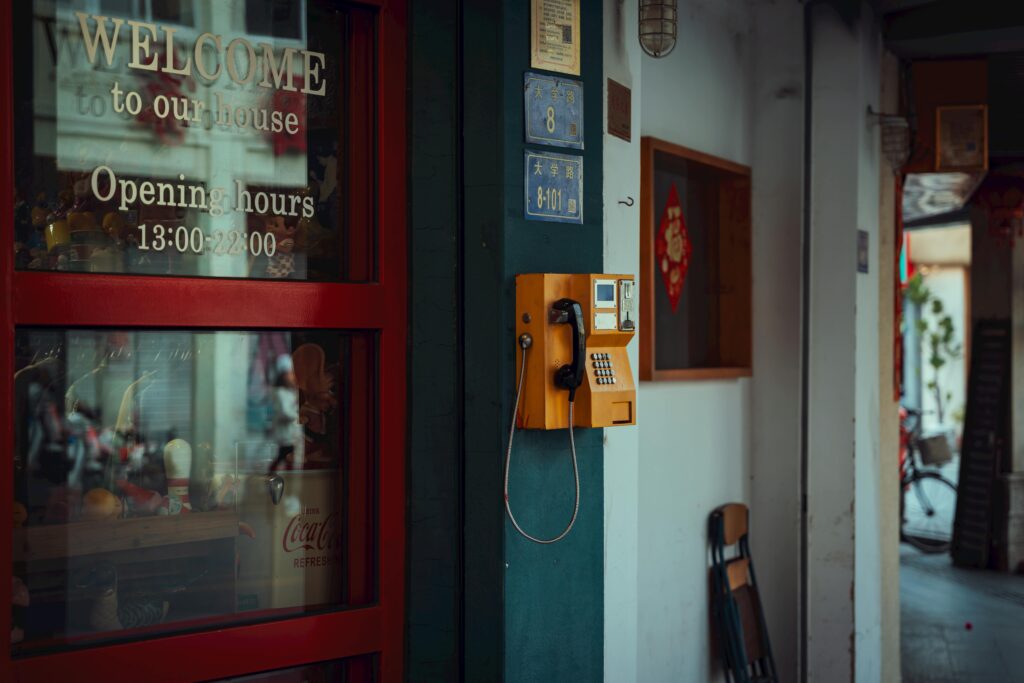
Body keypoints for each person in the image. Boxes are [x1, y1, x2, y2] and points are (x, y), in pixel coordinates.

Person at [268, 354, 301, 473]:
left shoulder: (291, 392)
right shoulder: (279, 393)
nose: (292, 376)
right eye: (290, 373)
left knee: (287, 457)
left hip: (291, 434)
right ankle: (273, 473)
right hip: (284, 434)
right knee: (284, 455)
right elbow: (285, 413)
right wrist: (299, 416)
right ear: (282, 375)